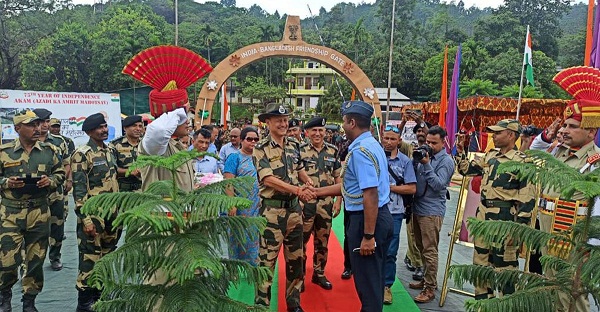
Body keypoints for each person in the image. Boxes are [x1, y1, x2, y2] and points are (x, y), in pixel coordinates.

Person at [314, 100, 393, 312]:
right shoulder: (372, 144)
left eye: (343, 122)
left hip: (367, 220)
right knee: (372, 278)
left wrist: (368, 236)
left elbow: (370, 193)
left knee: (367, 284)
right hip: (378, 216)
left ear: (351, 122)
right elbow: (353, 188)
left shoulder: (360, 151)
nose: (342, 127)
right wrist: (317, 192)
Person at [455, 119, 536, 299]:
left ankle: (505, 305)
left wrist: (519, 229)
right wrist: (461, 151)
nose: (494, 136)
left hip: (506, 220)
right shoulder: (490, 156)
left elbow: (527, 198)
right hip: (484, 216)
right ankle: (483, 304)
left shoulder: (522, 161)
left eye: (498, 133)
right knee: (480, 265)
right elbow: (466, 170)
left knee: (505, 268)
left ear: (511, 135)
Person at [253, 103, 315, 312]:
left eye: (285, 119)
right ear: (267, 122)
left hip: (294, 212)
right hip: (272, 213)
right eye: (278, 120)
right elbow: (268, 179)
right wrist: (298, 190)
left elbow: (299, 169)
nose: (283, 123)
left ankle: (294, 304)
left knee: (296, 261)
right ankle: (261, 305)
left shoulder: (293, 144)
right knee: (266, 263)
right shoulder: (260, 148)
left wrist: (308, 183)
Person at [0, 110, 65, 312]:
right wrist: (6, 182)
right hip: (10, 214)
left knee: (35, 260)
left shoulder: (49, 150)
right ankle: (5, 297)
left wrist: (51, 181)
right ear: (18, 128)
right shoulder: (4, 151)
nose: (37, 128)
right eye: (31, 125)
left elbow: (60, 172)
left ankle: (29, 301)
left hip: (39, 211)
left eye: (38, 124)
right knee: (7, 261)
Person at [71, 113, 120, 312]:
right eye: (100, 127)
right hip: (93, 215)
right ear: (90, 131)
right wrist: (86, 219)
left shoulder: (110, 150)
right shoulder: (82, 154)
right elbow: (79, 190)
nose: (104, 130)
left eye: (105, 126)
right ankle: (84, 302)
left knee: (107, 256)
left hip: (112, 214)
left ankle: (100, 294)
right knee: (90, 258)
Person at [409, 125, 454, 304]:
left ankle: (430, 288)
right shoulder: (423, 155)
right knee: (421, 248)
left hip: (432, 210)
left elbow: (438, 185)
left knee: (430, 250)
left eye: (434, 143)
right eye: (428, 141)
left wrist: (427, 165)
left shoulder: (446, 161)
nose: (429, 145)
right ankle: (426, 280)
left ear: (443, 142)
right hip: (417, 207)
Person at [298, 117, 342, 292]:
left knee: (322, 241)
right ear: (307, 133)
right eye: (314, 130)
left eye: (320, 130)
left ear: (326, 132)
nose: (317, 134)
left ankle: (319, 273)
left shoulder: (333, 150)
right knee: (301, 240)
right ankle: (299, 276)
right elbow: (295, 175)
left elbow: (338, 177)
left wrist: (338, 201)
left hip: (326, 204)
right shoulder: (300, 151)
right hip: (305, 204)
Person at [32, 108, 71, 272]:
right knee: (33, 228)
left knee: (57, 226)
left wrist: (68, 180)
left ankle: (55, 257)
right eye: (43, 122)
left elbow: (67, 163)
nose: (46, 125)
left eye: (48, 121)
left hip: (55, 192)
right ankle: (30, 262)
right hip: (33, 194)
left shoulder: (59, 141)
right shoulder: (27, 142)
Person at [381, 125, 417, 305]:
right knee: (371, 248)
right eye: (386, 138)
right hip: (374, 210)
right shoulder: (374, 158)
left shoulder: (405, 162)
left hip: (394, 212)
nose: (388, 142)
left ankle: (386, 286)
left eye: (392, 139)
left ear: (399, 141)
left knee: (390, 251)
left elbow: (411, 187)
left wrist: (390, 188)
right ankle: (371, 283)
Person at [224, 127, 261, 265]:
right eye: (249, 139)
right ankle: (235, 266)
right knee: (237, 235)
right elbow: (228, 182)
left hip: (257, 205)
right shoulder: (235, 157)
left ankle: (253, 266)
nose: (253, 142)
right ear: (242, 140)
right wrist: (231, 203)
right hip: (240, 205)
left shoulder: (260, 158)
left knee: (254, 236)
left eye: (256, 139)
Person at [139, 108, 194, 192]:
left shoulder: (179, 146)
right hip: (164, 204)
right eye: (180, 117)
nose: (187, 121)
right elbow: (160, 130)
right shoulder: (155, 146)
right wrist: (177, 107)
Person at [109, 115, 143, 193]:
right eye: (134, 126)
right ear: (125, 128)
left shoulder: (145, 144)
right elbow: (111, 168)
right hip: (123, 190)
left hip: (143, 189)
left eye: (140, 126)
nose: (138, 129)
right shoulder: (115, 145)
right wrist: (129, 171)